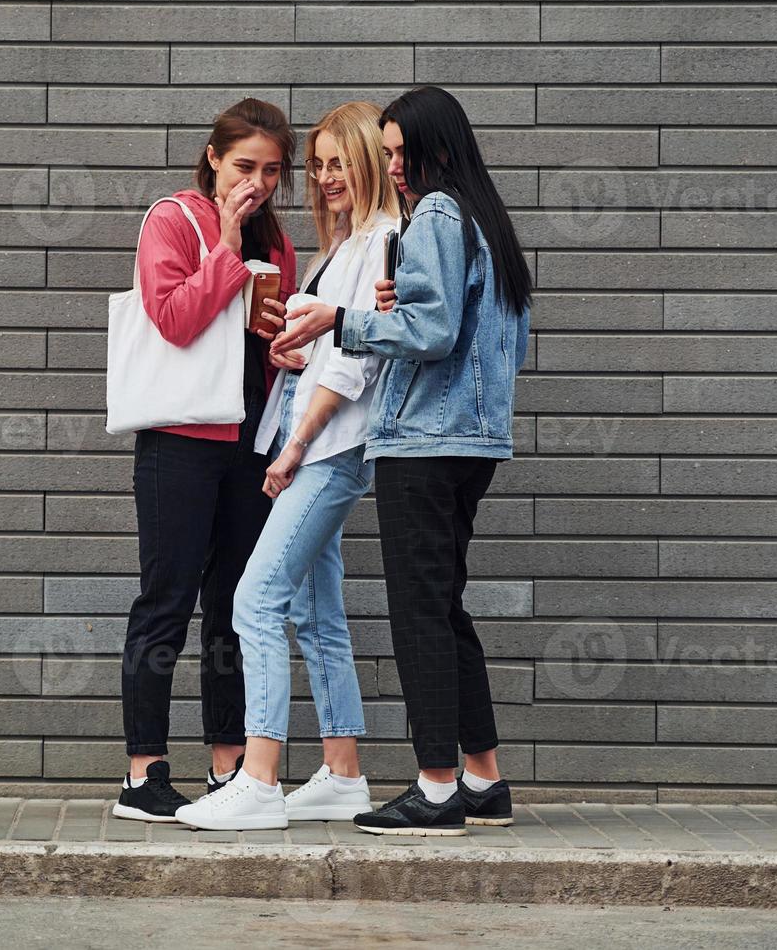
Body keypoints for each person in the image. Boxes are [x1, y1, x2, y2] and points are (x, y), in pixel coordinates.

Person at [273, 86, 532, 837]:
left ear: (436, 151)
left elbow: (434, 331)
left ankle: (437, 787)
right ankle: (483, 780)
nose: (391, 168)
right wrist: (396, 311)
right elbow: (465, 327)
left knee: (420, 614)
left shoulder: (440, 213)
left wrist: (342, 319)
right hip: (471, 441)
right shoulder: (484, 220)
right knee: (445, 608)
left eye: (398, 153)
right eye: (384, 154)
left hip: (423, 440)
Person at [175, 102, 400, 830]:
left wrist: (295, 447)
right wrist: (291, 355)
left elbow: (359, 368)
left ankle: (260, 777)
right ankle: (341, 771)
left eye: (342, 161)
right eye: (321, 164)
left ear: (370, 160)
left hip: (328, 452)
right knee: (315, 610)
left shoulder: (382, 240)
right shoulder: (349, 244)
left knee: (255, 599)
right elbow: (333, 352)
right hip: (315, 443)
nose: (328, 177)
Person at [115, 98, 300, 822]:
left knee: (234, 606)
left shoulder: (277, 241)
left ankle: (230, 766)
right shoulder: (175, 219)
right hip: (180, 442)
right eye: (245, 165)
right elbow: (176, 319)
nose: (256, 182)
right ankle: (143, 773)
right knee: (166, 601)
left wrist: (288, 344)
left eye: (271, 171)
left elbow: (265, 340)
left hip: (250, 443)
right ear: (214, 158)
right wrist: (224, 242)